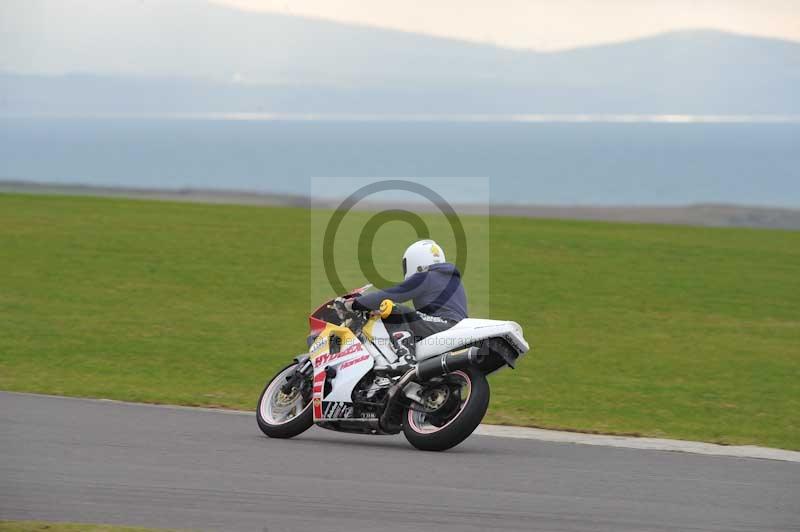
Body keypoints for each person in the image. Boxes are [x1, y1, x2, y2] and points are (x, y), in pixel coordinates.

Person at [342, 239, 467, 361]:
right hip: (457, 327)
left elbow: (394, 294)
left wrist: (354, 304)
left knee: (393, 308)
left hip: (445, 324)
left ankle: (406, 357)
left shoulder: (426, 276)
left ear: (416, 259)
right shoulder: (451, 279)